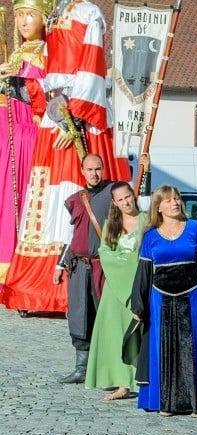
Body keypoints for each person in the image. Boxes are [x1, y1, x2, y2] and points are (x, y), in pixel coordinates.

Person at [0, 0, 130, 314]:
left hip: (79, 120)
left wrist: (72, 120)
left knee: (75, 191)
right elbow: (52, 80)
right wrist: (19, 87)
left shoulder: (87, 13)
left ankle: (72, 286)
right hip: (56, 116)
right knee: (45, 195)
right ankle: (42, 285)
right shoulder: (58, 15)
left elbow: (90, 71)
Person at [131, 185, 197, 417]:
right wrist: (138, 304)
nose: (174, 203)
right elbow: (143, 272)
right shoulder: (151, 236)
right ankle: (167, 401)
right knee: (163, 346)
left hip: (193, 294)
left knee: (195, 346)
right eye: (168, 200)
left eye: (177, 199)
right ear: (159, 207)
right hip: (159, 298)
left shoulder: (195, 228)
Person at [54, 153, 141, 383]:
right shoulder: (74, 199)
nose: (94, 173)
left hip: (105, 266)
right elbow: (68, 235)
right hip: (78, 267)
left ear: (103, 169)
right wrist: (58, 264)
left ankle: (113, 369)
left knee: (108, 317)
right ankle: (82, 369)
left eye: (98, 169)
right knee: (79, 316)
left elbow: (137, 200)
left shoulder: (113, 192)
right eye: (90, 169)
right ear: (82, 171)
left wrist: (145, 168)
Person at [85, 181, 148, 400]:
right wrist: (128, 263)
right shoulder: (112, 224)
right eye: (120, 199)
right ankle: (122, 384)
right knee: (115, 335)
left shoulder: (147, 221)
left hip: (141, 287)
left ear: (134, 195)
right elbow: (106, 254)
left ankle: (143, 381)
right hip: (116, 290)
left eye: (128, 197)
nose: (125, 202)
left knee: (141, 335)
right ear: (115, 202)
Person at [0, 0, 48, 291]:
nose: (23, 22)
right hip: (9, 137)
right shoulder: (16, 54)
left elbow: (47, 95)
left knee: (25, 203)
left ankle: (23, 268)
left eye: (29, 15)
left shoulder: (48, 53)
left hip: (33, 136)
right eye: (18, 16)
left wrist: (15, 83)